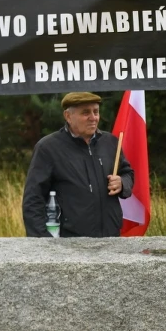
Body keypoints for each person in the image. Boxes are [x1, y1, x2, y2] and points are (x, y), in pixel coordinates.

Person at [22, 92, 135, 237]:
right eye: (85, 113)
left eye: (96, 112)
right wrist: (44, 243)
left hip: (111, 237)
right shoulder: (48, 148)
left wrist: (122, 183)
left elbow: (127, 173)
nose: (93, 118)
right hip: (69, 243)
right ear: (68, 116)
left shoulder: (111, 143)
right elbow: (33, 200)